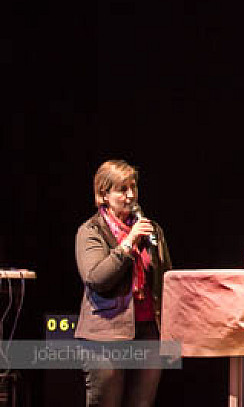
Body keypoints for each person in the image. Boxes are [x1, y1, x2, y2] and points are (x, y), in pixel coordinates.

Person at [75, 159, 172, 407]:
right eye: (122, 189)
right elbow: (97, 279)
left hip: (149, 330)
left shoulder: (152, 230)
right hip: (106, 334)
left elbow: (166, 279)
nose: (131, 196)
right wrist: (128, 244)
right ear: (104, 194)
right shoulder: (91, 231)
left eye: (133, 187)